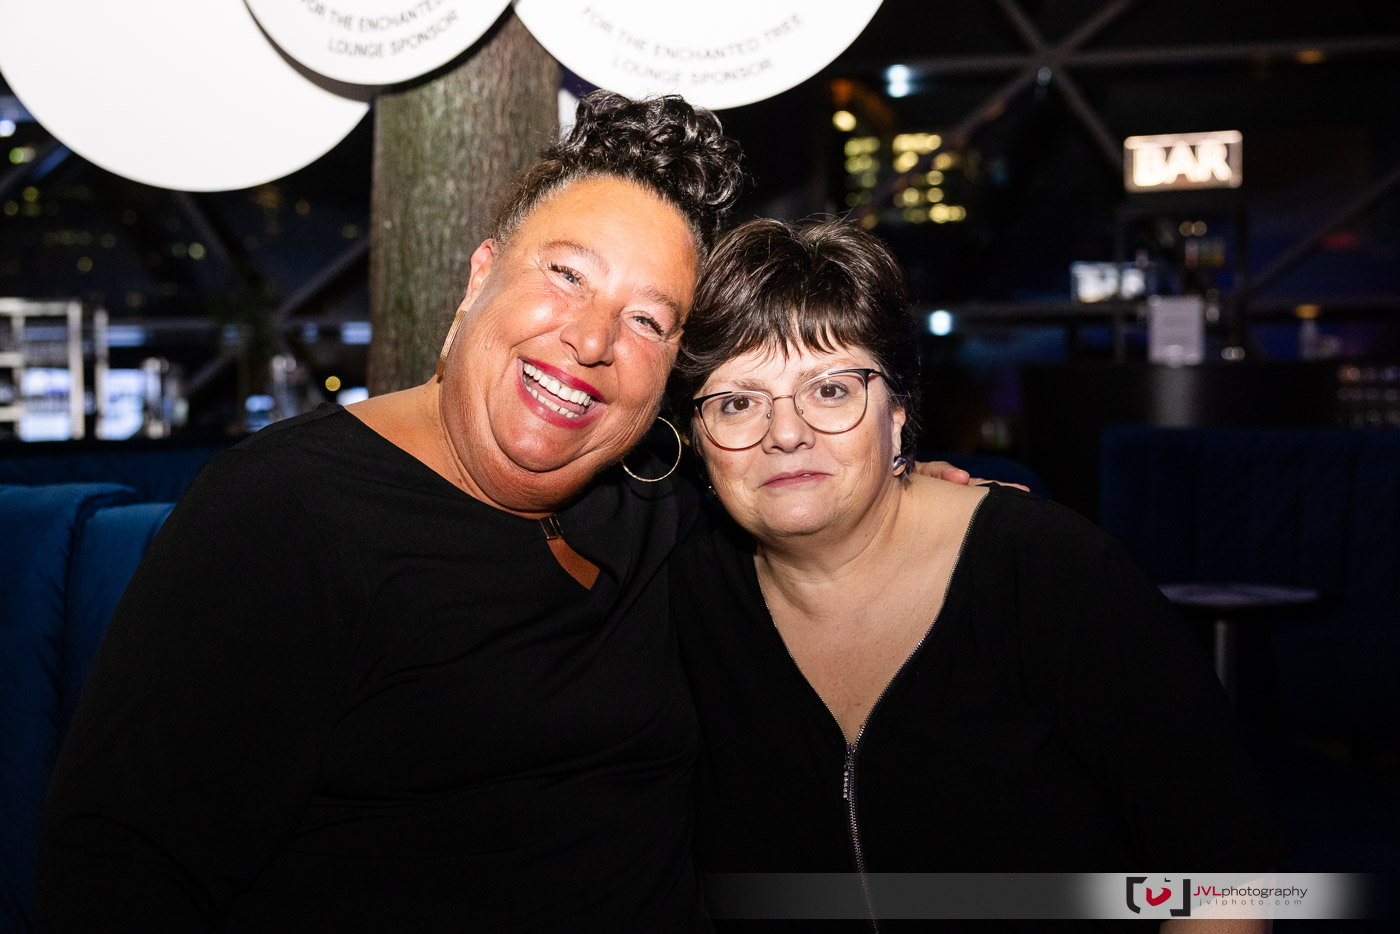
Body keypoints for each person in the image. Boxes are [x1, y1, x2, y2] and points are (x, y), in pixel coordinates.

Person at [36, 92, 745, 932]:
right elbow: (119, 871)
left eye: (647, 320)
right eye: (567, 275)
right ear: (480, 277)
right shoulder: (286, 513)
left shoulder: (668, 515)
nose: (593, 340)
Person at [668, 219, 1278, 928]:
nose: (786, 432)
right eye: (737, 403)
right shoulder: (680, 596)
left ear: (897, 411)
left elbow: (1226, 876)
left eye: (831, 390)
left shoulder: (1050, 573)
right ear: (698, 439)